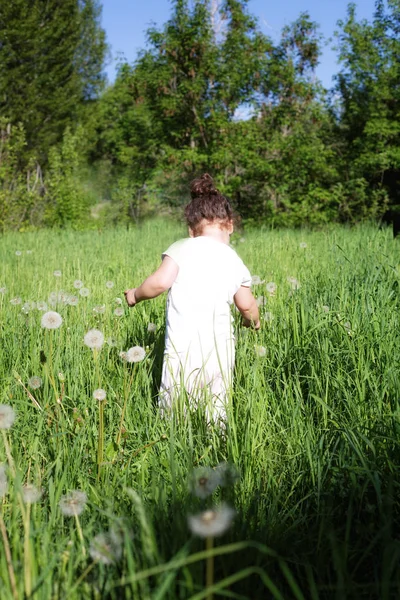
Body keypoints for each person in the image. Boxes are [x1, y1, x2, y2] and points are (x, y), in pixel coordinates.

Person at [124, 173, 260, 425]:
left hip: (182, 348)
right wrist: (253, 322)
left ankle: (170, 441)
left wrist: (135, 294)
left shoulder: (181, 247)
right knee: (217, 407)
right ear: (230, 225)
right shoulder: (234, 260)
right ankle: (216, 445)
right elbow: (247, 304)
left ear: (191, 230)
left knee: (174, 407)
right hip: (221, 350)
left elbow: (159, 283)